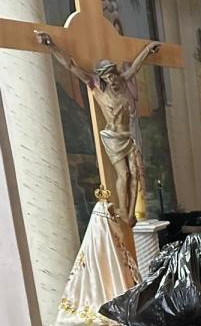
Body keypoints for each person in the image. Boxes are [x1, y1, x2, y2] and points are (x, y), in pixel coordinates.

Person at [35, 30, 160, 227]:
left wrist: (147, 50)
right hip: (113, 137)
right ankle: (124, 211)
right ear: (102, 78)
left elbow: (135, 67)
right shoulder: (96, 86)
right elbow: (70, 65)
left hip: (128, 136)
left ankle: (128, 214)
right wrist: (51, 46)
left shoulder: (123, 80)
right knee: (125, 174)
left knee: (135, 173)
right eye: (107, 77)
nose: (111, 80)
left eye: (113, 75)